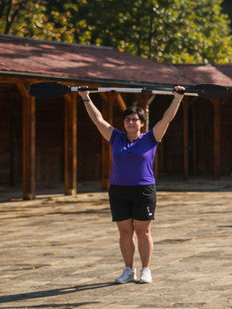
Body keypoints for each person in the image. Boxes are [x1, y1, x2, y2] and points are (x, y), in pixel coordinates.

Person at [79, 86, 186, 283]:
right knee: (125, 232)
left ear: (142, 123)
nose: (130, 122)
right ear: (124, 123)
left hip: (143, 190)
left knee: (143, 232)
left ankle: (146, 269)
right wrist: (85, 97)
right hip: (119, 190)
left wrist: (177, 99)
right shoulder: (115, 138)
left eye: (135, 119)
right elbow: (98, 120)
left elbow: (166, 119)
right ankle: (128, 270)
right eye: (127, 119)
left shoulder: (151, 138)